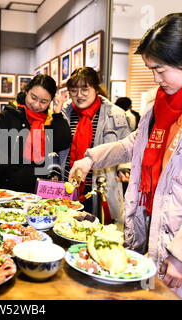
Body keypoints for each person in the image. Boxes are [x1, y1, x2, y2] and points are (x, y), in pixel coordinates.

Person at [69, 13, 182, 300]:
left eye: (161, 70)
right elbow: (135, 142)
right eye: (151, 69)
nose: (155, 79)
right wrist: (91, 158)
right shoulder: (163, 102)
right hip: (156, 230)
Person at [53, 67, 131, 224]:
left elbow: (126, 145)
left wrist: (125, 168)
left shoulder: (115, 113)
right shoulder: (64, 113)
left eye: (84, 89)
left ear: (96, 88)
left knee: (100, 232)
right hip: (68, 187)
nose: (79, 95)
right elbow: (54, 148)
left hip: (101, 188)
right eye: (73, 90)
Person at [0, 74, 71, 193]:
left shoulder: (51, 119)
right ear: (27, 91)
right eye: (33, 97)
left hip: (43, 191)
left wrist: (58, 114)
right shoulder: (10, 114)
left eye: (44, 101)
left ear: (51, 101)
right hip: (11, 190)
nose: (36, 104)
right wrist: (9, 168)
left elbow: (62, 143)